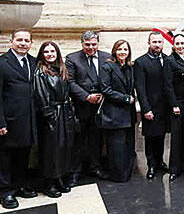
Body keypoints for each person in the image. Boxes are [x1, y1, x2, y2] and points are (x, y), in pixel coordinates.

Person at [0, 29, 38, 209]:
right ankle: (5, 191)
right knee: (4, 157)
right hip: (7, 121)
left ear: (31, 43)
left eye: (26, 40)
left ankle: (20, 185)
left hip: (28, 120)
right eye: (19, 40)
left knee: (23, 155)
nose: (23, 43)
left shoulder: (34, 62)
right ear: (11, 41)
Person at [65, 30, 111, 186]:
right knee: (78, 140)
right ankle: (75, 172)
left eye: (94, 44)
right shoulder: (72, 59)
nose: (91, 47)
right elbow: (70, 82)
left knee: (97, 139)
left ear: (98, 43)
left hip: (101, 106)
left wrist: (105, 94)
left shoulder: (106, 57)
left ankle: (95, 167)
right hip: (81, 106)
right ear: (82, 44)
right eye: (87, 44)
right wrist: (86, 96)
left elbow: (110, 78)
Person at [33, 41, 77, 198]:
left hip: (64, 114)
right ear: (42, 54)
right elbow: (41, 95)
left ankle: (59, 178)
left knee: (63, 149)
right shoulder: (40, 72)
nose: (50, 54)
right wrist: (49, 117)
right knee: (50, 151)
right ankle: (49, 183)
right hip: (52, 116)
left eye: (53, 51)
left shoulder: (61, 69)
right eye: (46, 52)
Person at [134, 31, 170, 179]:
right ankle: (151, 165)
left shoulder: (167, 59)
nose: (157, 45)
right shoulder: (141, 62)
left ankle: (160, 160)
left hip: (164, 107)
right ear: (149, 43)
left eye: (160, 42)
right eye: (154, 42)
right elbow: (140, 88)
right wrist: (146, 108)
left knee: (161, 135)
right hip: (150, 106)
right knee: (150, 137)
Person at [100, 40, 136, 182]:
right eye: (120, 49)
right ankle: (118, 175)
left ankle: (127, 173)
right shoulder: (107, 67)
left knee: (128, 145)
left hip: (129, 113)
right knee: (116, 147)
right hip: (114, 113)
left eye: (125, 49)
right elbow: (106, 89)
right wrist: (125, 98)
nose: (123, 52)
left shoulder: (130, 67)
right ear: (114, 51)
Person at [163, 33, 184, 182]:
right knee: (176, 136)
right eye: (178, 44)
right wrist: (174, 104)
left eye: (182, 43)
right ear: (173, 45)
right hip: (178, 103)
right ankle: (174, 169)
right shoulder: (170, 61)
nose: (180, 46)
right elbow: (168, 86)